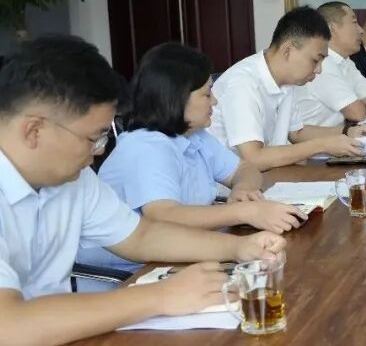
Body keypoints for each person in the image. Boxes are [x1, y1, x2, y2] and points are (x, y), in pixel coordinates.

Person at [0, 36, 285, 346]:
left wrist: (239, 248)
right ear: (34, 131)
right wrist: (161, 296)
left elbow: (140, 236)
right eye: (93, 138)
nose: (98, 151)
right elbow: (9, 329)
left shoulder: (72, 178)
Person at [76, 44, 306, 275]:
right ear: (177, 97)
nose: (214, 101)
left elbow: (244, 168)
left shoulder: (193, 135)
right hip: (133, 272)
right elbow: (164, 216)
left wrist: (243, 189)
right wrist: (244, 212)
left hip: (179, 255)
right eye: (207, 94)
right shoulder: (146, 147)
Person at [208, 6, 366, 171]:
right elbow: (254, 158)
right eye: (315, 60)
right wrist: (323, 145)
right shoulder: (243, 82)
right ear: (287, 50)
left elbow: (297, 133)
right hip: (232, 186)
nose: (319, 70)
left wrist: (348, 132)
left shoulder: (287, 80)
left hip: (269, 175)